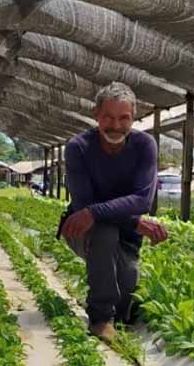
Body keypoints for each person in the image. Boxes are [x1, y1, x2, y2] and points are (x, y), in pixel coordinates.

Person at [59, 81, 169, 341]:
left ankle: (116, 314)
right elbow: (84, 203)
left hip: (125, 231)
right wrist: (128, 219)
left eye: (124, 118)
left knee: (127, 295)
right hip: (82, 229)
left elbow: (142, 200)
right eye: (108, 117)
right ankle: (100, 318)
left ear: (134, 116)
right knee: (104, 231)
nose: (116, 126)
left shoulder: (144, 145)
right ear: (96, 114)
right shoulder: (79, 147)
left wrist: (128, 222)